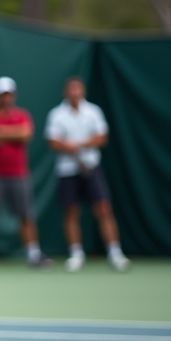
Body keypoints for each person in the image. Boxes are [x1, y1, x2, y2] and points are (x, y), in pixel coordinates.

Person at [45, 76, 131, 272]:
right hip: (67, 170)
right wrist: (68, 147)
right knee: (71, 211)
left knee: (103, 208)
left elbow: (102, 137)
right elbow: (52, 141)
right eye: (71, 90)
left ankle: (115, 253)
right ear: (66, 92)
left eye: (78, 89)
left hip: (91, 168)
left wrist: (78, 145)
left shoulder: (93, 111)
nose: (74, 93)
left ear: (82, 92)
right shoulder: (57, 114)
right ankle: (76, 254)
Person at [0, 77, 52, 268]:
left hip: (18, 174)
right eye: (1, 94)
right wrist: (12, 133)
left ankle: (34, 255)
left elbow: (26, 134)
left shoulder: (22, 115)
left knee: (26, 215)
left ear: (13, 95)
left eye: (8, 94)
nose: (5, 98)